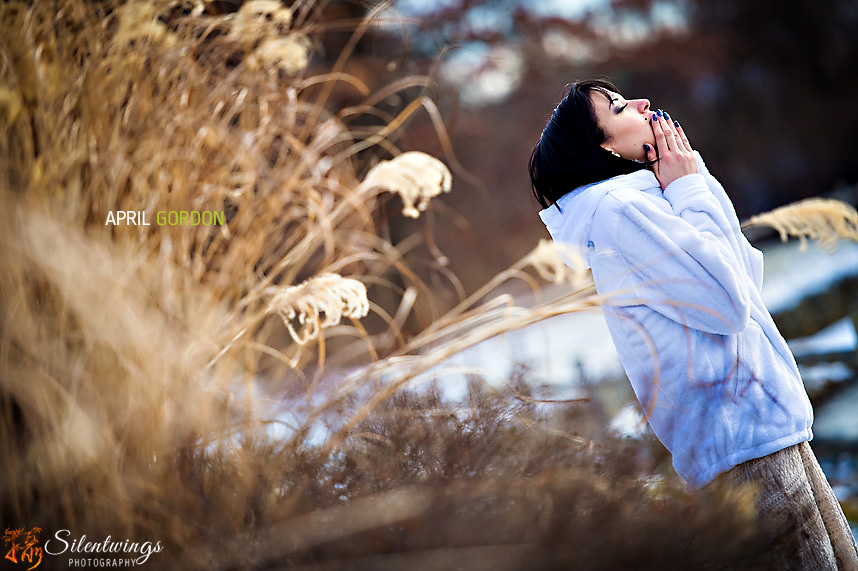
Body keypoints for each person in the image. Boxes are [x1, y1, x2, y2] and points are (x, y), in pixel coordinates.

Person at [529, 78, 858, 569]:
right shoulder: (621, 212)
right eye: (620, 108)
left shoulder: (644, 200)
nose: (641, 103)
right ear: (605, 146)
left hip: (765, 429)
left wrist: (693, 181)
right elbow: (727, 305)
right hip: (741, 442)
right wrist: (686, 187)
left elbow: (745, 281)